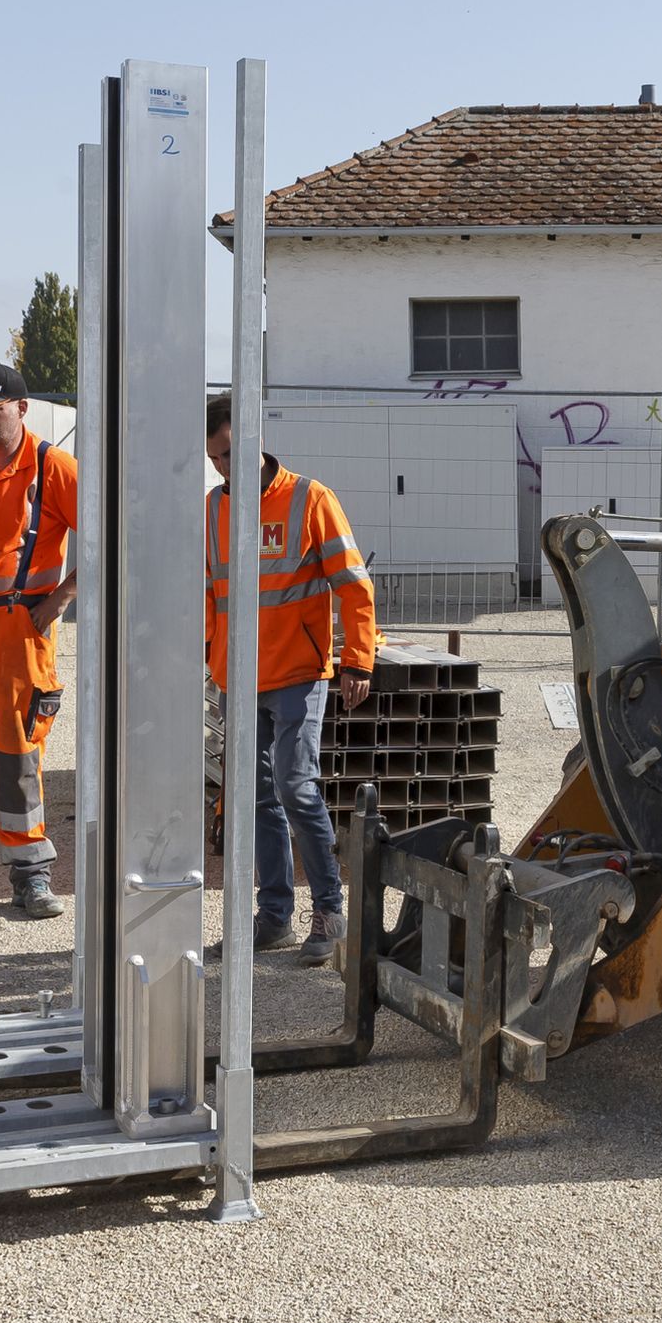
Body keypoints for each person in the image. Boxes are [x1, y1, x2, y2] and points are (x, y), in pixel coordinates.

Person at [204, 391, 378, 964]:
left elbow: (353, 584)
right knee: (253, 795)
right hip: (239, 677)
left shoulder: (309, 499)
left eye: (231, 452)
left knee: (295, 787)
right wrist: (213, 657)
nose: (225, 467)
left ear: (255, 435)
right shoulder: (213, 509)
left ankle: (328, 910)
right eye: (217, 459)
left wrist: (357, 660)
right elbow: (211, 591)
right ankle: (275, 915)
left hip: (299, 674)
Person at [0, 363, 77, 919]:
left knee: (17, 757)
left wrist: (60, 598)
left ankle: (31, 876)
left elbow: (114, 532)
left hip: (18, 631)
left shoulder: (51, 467)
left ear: (22, 408)